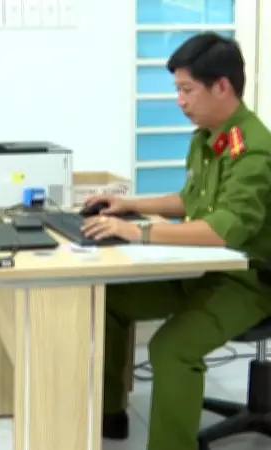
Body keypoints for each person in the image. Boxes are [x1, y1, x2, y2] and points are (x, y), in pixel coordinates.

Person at [79, 32, 271, 450]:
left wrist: (138, 231)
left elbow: (222, 229)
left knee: (171, 348)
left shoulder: (254, 150)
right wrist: (127, 204)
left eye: (187, 90)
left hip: (248, 282)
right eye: (177, 90)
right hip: (204, 268)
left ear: (222, 86)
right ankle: (111, 413)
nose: (180, 101)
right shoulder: (208, 136)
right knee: (110, 299)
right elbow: (190, 199)